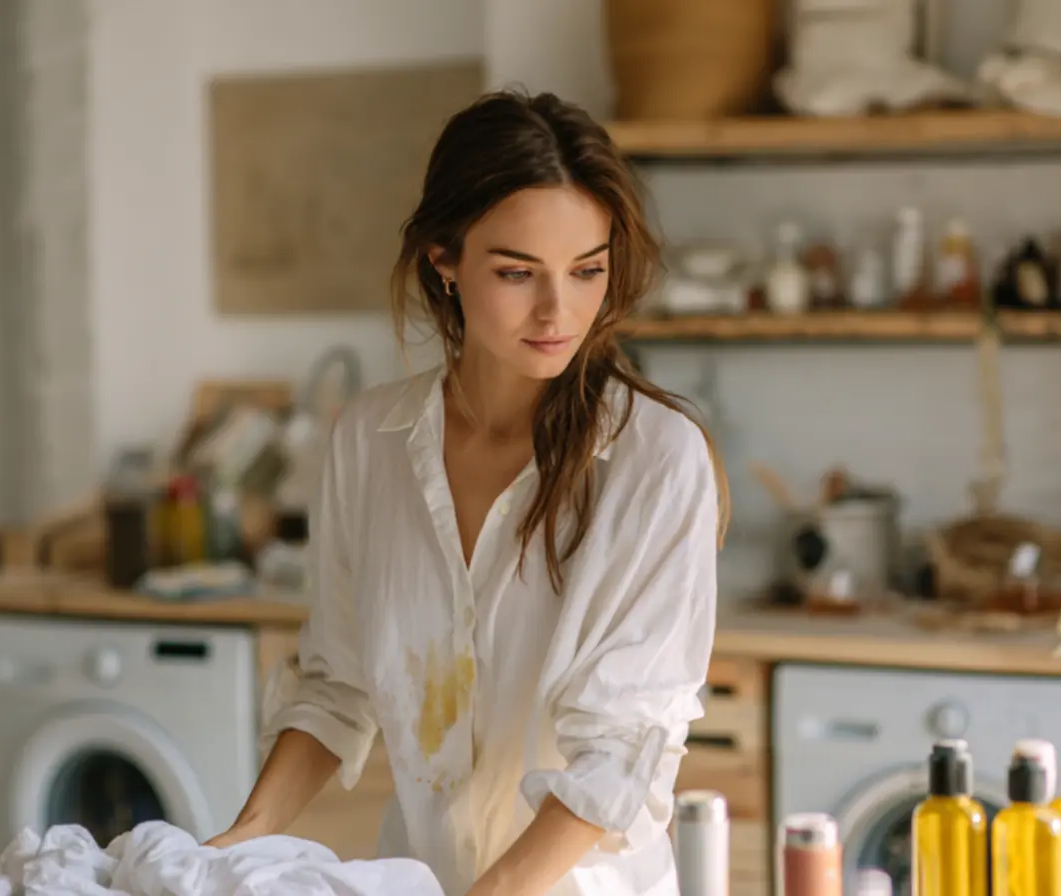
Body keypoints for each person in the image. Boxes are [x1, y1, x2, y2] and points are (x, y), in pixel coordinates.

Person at [207, 90, 730, 896]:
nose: (560, 311)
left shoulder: (656, 461)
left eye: (587, 270)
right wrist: (233, 845)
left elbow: (621, 750)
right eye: (517, 273)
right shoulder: (368, 443)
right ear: (442, 261)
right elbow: (336, 684)